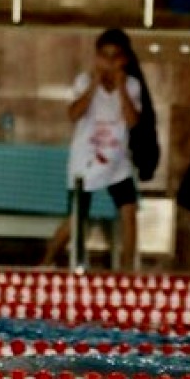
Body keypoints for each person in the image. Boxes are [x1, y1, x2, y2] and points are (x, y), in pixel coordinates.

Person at [41, 28, 142, 270]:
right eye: (104, 56)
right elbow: (73, 114)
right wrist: (94, 86)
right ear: (96, 57)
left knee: (129, 214)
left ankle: (127, 271)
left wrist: (121, 90)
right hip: (85, 159)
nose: (109, 62)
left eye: (115, 56)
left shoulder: (132, 85)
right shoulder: (83, 81)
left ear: (124, 59)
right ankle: (45, 262)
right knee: (77, 218)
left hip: (117, 160)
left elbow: (132, 121)